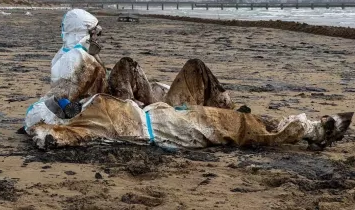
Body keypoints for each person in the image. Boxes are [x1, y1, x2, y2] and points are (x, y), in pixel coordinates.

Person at [25, 9, 354, 150]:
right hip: (161, 124)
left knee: (223, 112)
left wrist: (49, 123)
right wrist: (51, 126)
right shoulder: (88, 102)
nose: (100, 40)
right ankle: (310, 129)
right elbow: (55, 132)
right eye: (94, 34)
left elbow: (51, 127)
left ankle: (287, 123)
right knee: (235, 126)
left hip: (157, 115)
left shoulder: (94, 102)